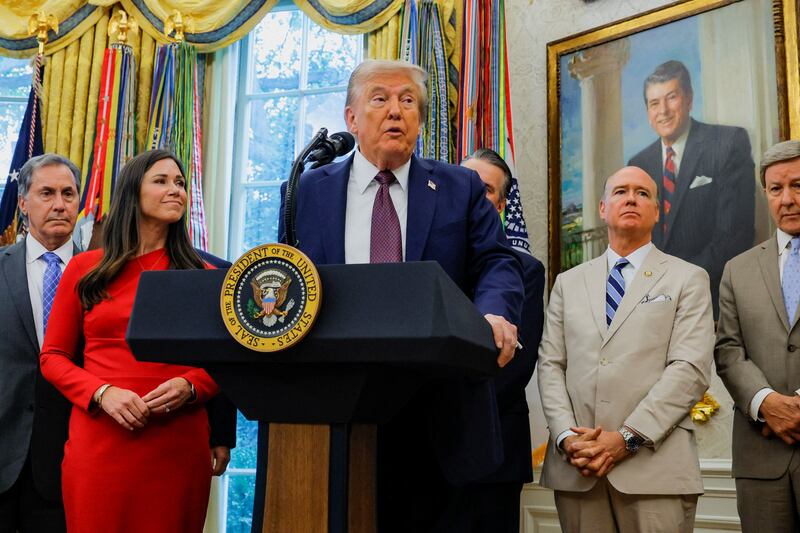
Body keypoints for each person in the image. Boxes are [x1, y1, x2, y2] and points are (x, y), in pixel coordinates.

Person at [279, 59, 523, 532]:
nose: (396, 110)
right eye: (380, 98)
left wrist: (492, 314)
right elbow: (289, 279)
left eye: (408, 100)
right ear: (351, 118)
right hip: (336, 407)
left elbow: (496, 261)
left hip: (436, 411)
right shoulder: (306, 191)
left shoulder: (459, 186)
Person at [40, 149, 220, 532]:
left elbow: (225, 361)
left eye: (180, 183)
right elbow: (52, 357)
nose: (176, 190)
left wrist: (191, 386)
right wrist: (103, 393)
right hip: (100, 444)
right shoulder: (85, 269)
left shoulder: (203, 275)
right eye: (161, 181)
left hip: (177, 446)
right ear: (131, 193)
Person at [538, 166, 714, 532]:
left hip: (655, 470)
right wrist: (568, 438)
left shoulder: (688, 278)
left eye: (642, 193)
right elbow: (551, 364)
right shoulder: (567, 283)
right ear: (603, 208)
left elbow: (690, 369)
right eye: (620, 191)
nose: (631, 198)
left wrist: (627, 438)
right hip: (578, 470)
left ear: (657, 211)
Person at [715, 140, 800, 532]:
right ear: (765, 193)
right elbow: (729, 350)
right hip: (760, 457)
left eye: (798, 185)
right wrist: (766, 402)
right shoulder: (737, 269)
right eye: (776, 189)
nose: (788, 199)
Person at [628, 59, 755, 315]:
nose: (663, 110)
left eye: (671, 97)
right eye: (654, 103)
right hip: (651, 309)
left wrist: (674, 287)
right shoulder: (638, 164)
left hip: (714, 302)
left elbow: (733, 238)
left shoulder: (728, 143)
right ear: (647, 112)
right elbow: (634, 241)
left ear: (688, 99)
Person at [460, 148, 544, 532]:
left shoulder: (524, 269)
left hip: (494, 444)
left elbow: (517, 364)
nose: (474, 193)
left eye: (487, 189)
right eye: (466, 183)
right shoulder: (428, 258)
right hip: (421, 447)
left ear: (501, 204)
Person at [0, 154, 80, 532]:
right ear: (22, 201)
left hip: (70, 460)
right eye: (46, 193)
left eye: (68, 193)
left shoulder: (103, 276)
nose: (60, 204)